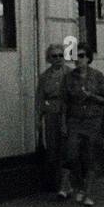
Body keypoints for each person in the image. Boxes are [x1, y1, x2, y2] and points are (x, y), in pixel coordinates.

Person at [61, 43, 104, 206]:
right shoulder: (69, 77)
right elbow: (64, 102)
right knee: (72, 155)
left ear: (89, 58)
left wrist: (91, 95)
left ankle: (87, 193)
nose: (79, 60)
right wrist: (63, 123)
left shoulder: (97, 76)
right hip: (75, 120)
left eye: (82, 56)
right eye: (76, 56)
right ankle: (79, 186)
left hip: (93, 120)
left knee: (90, 156)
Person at [35, 44, 69, 196]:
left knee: (67, 149)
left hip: (67, 114)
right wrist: (38, 118)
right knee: (53, 149)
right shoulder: (44, 77)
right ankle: (57, 184)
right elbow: (40, 99)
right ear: (49, 59)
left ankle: (66, 184)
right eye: (54, 56)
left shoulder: (70, 73)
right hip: (51, 114)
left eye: (60, 55)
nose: (58, 59)